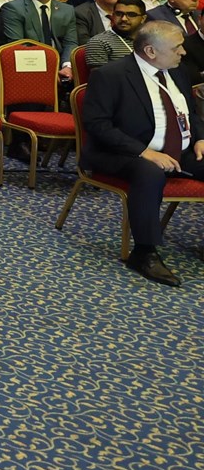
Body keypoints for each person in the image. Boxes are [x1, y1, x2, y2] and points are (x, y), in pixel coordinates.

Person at [80, 21, 202, 287]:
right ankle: (145, 252)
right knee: (149, 172)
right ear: (151, 51)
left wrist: (200, 138)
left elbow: (191, 112)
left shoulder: (178, 71)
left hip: (179, 150)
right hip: (122, 152)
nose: (183, 52)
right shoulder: (111, 75)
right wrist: (144, 152)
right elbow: (97, 125)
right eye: (177, 47)